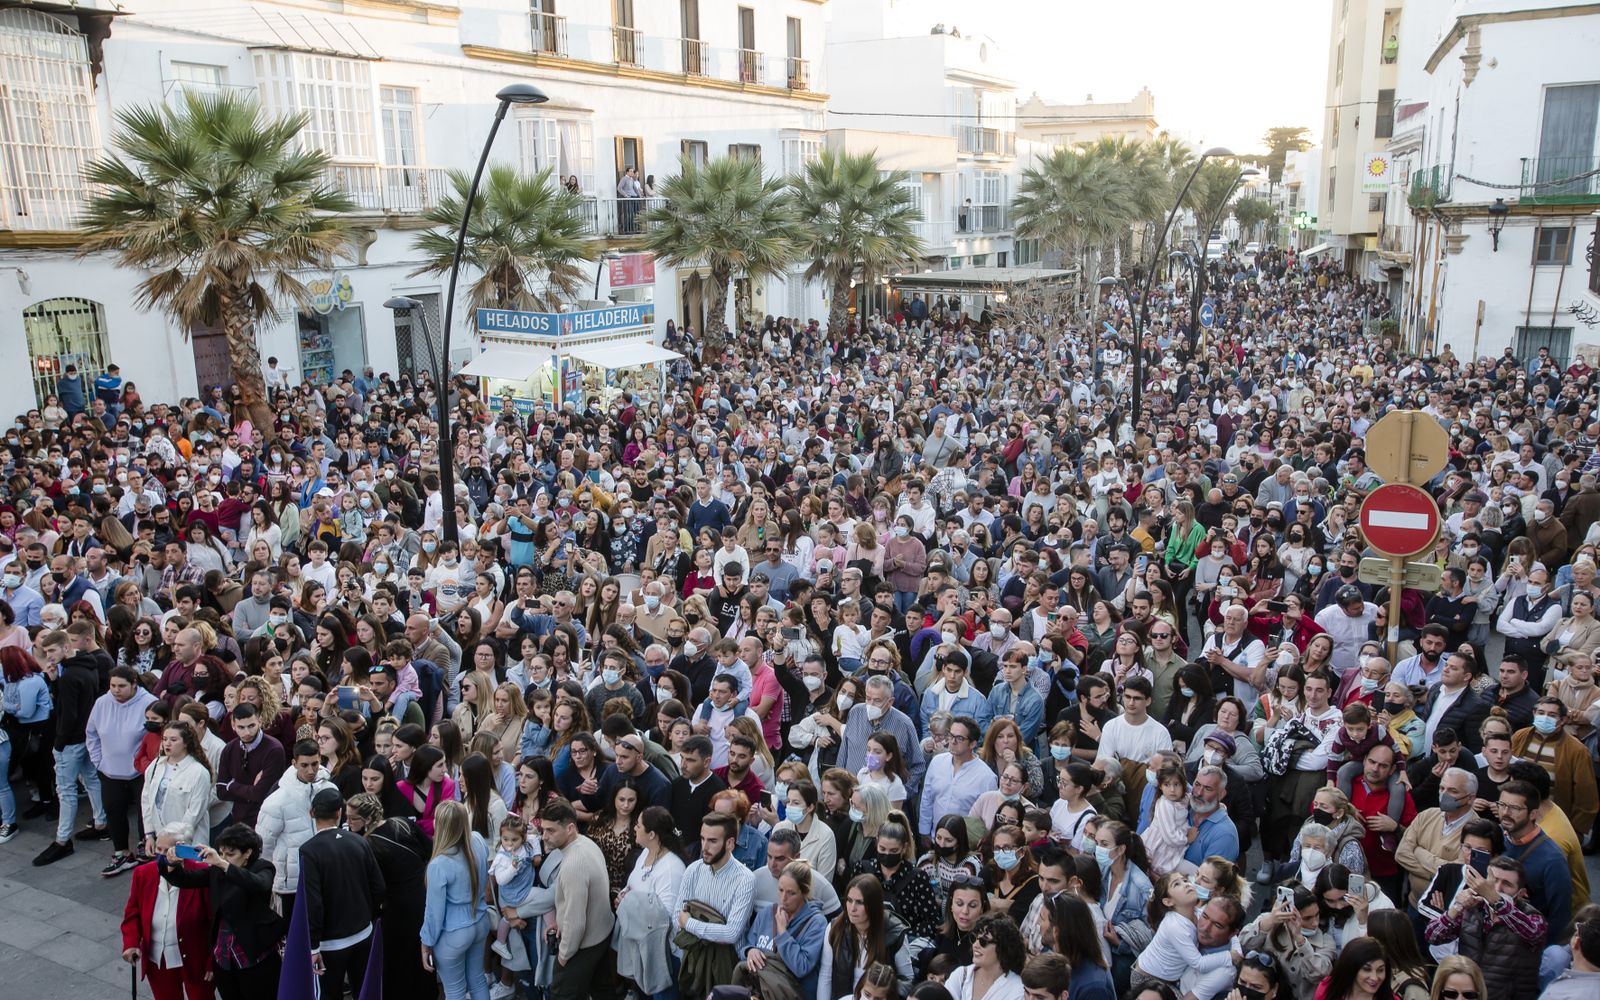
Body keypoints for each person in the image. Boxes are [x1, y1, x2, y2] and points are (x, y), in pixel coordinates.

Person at [157, 823, 283, 1000]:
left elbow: (259, 884)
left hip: (254, 955)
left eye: (230, 854)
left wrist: (223, 864)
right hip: (223, 956)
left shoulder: (263, 867)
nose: (224, 858)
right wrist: (171, 863)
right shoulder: (217, 870)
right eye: (222, 853)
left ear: (247, 853)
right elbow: (183, 879)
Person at [297, 787, 386, 997]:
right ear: (339, 813)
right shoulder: (359, 841)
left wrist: (313, 946)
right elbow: (379, 888)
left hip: (330, 944)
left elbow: (313, 902)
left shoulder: (308, 851)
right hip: (363, 933)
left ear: (312, 812)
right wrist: (367, 918)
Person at [1424, 855, 1547, 1000]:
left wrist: (1495, 900)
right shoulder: (1473, 909)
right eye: (1493, 880)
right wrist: (1456, 907)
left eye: (1506, 884)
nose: (1497, 888)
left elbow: (1533, 933)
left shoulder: (1533, 917)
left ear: (1520, 893)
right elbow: (1432, 936)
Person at [119, 821, 214, 1000]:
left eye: (166, 851)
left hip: (195, 958)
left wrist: (212, 962)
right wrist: (131, 943)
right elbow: (133, 913)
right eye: (158, 849)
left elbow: (215, 920)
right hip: (158, 958)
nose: (161, 856)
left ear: (182, 850)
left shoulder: (201, 874)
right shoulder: (143, 873)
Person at [674, 811, 757, 999]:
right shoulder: (693, 870)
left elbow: (731, 933)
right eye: (702, 839)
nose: (705, 847)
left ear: (730, 843)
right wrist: (700, 930)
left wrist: (690, 924)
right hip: (692, 962)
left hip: (727, 968)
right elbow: (676, 918)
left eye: (712, 841)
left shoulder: (745, 880)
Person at [87, 664, 159, 876]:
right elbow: (91, 733)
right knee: (114, 811)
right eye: (112, 686)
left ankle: (145, 850)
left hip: (140, 772)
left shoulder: (149, 703)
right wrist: (98, 761)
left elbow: (155, 737)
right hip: (110, 771)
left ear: (134, 685)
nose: (116, 690)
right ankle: (122, 853)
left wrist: (146, 765)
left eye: (121, 686)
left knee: (144, 813)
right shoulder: (102, 703)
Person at [539, 796, 615, 998]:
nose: (544, 836)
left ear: (570, 828)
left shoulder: (574, 863)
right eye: (543, 829)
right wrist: (560, 924)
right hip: (600, 936)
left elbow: (576, 921)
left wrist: (563, 956)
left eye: (551, 830)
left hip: (582, 946)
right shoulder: (586, 843)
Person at [421, 800, 493, 1000]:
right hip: (480, 922)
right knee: (478, 980)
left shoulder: (439, 864)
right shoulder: (477, 840)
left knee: (454, 991)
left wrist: (426, 941)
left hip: (453, 932)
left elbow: (434, 912)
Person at [256, 739, 333, 918]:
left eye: (315, 764)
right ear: (294, 763)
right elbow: (263, 845)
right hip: (290, 885)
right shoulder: (276, 801)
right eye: (304, 765)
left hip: (324, 877)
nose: (311, 770)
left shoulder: (330, 789)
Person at [736, 858, 828, 999]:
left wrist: (783, 932)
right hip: (760, 991)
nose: (783, 898)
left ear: (804, 892)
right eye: (780, 890)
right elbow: (747, 944)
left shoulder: (816, 923)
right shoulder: (767, 913)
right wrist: (750, 951)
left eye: (791, 893)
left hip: (792, 995)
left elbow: (801, 967)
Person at [943, 912, 1027, 1000]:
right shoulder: (960, 975)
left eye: (983, 941)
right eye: (975, 938)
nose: (975, 945)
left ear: (1004, 947)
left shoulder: (1017, 989)